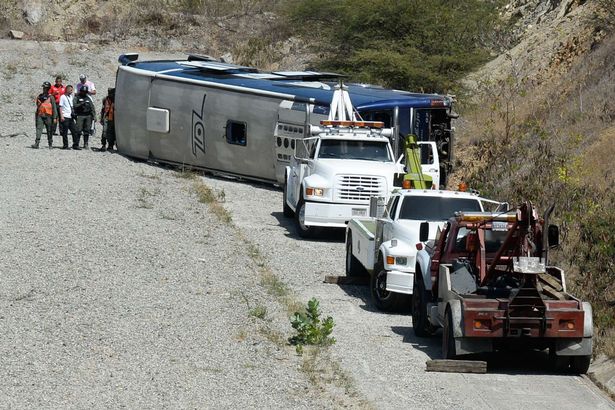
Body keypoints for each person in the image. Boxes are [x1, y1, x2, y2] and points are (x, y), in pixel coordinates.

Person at [31, 81, 58, 149]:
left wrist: (55, 117)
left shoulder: (51, 97)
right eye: (44, 88)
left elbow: (54, 108)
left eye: (45, 88)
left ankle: (50, 144)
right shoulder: (40, 96)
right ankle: (36, 143)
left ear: (48, 88)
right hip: (40, 115)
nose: (44, 89)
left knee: (49, 130)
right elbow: (38, 106)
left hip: (48, 116)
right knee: (39, 129)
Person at [59, 85, 77, 150]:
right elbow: (60, 107)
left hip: (70, 117)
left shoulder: (71, 97)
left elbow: (72, 107)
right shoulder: (62, 97)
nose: (72, 91)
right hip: (65, 116)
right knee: (65, 132)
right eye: (71, 90)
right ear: (67, 90)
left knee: (74, 131)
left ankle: (75, 145)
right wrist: (61, 116)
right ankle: (65, 145)